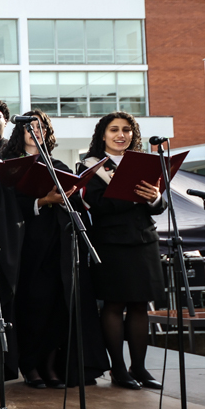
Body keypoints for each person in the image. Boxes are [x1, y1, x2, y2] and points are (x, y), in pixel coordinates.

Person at [0, 111, 107, 388]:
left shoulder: (58, 164)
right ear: (20, 132)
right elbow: (6, 207)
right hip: (27, 244)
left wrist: (66, 198)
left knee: (59, 307)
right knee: (34, 305)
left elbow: (76, 205)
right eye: (30, 127)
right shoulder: (11, 164)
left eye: (41, 127)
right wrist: (42, 201)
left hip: (60, 243)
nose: (35, 131)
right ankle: (31, 366)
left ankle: (50, 365)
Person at [79, 111, 165, 389]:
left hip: (144, 239)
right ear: (102, 134)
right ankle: (118, 369)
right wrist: (132, 196)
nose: (121, 135)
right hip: (110, 242)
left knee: (141, 305)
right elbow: (98, 205)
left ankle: (139, 368)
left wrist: (154, 197)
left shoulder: (144, 164)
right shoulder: (88, 166)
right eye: (114, 130)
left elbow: (160, 206)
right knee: (114, 305)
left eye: (127, 130)